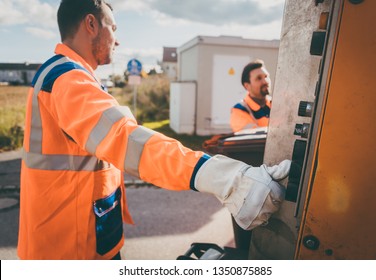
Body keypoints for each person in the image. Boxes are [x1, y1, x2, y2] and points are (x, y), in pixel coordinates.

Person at [18, 0, 291, 260]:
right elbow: (129, 141)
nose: (117, 38)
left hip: (78, 239)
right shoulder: (67, 80)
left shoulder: (65, 75)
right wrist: (225, 178)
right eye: (113, 27)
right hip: (69, 250)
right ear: (91, 24)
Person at [230, 59, 272, 132]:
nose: (265, 81)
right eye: (259, 78)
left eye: (266, 76)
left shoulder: (278, 105)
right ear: (247, 86)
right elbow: (253, 138)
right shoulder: (239, 110)